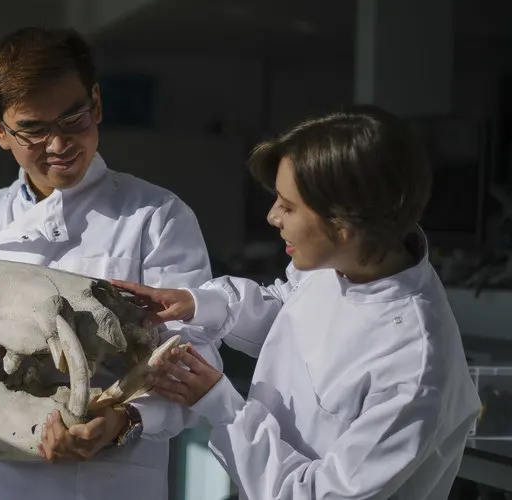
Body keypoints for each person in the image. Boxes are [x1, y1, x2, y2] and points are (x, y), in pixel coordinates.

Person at [113, 106, 483, 499]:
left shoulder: (414, 365)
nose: (273, 216)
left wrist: (222, 406)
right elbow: (290, 312)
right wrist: (196, 304)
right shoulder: (349, 262)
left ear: (344, 224)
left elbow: (319, 494)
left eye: (288, 206)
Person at [0, 26, 221, 500]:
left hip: (110, 479)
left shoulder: (154, 217)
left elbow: (196, 353)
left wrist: (124, 417)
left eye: (73, 118)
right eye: (34, 130)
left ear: (96, 104)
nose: (59, 145)